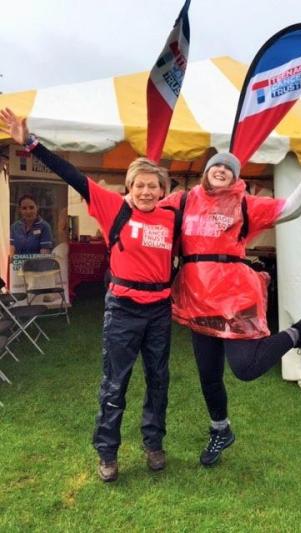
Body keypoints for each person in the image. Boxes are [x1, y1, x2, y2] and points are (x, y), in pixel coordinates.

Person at [0, 107, 177, 482]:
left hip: (160, 309)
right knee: (115, 382)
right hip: (124, 309)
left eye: (153, 185)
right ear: (128, 189)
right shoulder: (113, 208)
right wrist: (30, 144)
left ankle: (153, 444)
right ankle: (108, 453)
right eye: (139, 185)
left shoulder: (171, 214)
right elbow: (72, 175)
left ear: (164, 190)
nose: (146, 191)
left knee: (158, 381)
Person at [159, 139, 301, 467]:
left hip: (235, 295)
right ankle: (220, 430)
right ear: (207, 172)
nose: (221, 170)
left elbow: (291, 208)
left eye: (229, 167)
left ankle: (299, 332)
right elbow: (147, 207)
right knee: (208, 374)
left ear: (236, 176)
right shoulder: (183, 200)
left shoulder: (245, 204)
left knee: (246, 368)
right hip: (198, 299)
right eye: (216, 165)